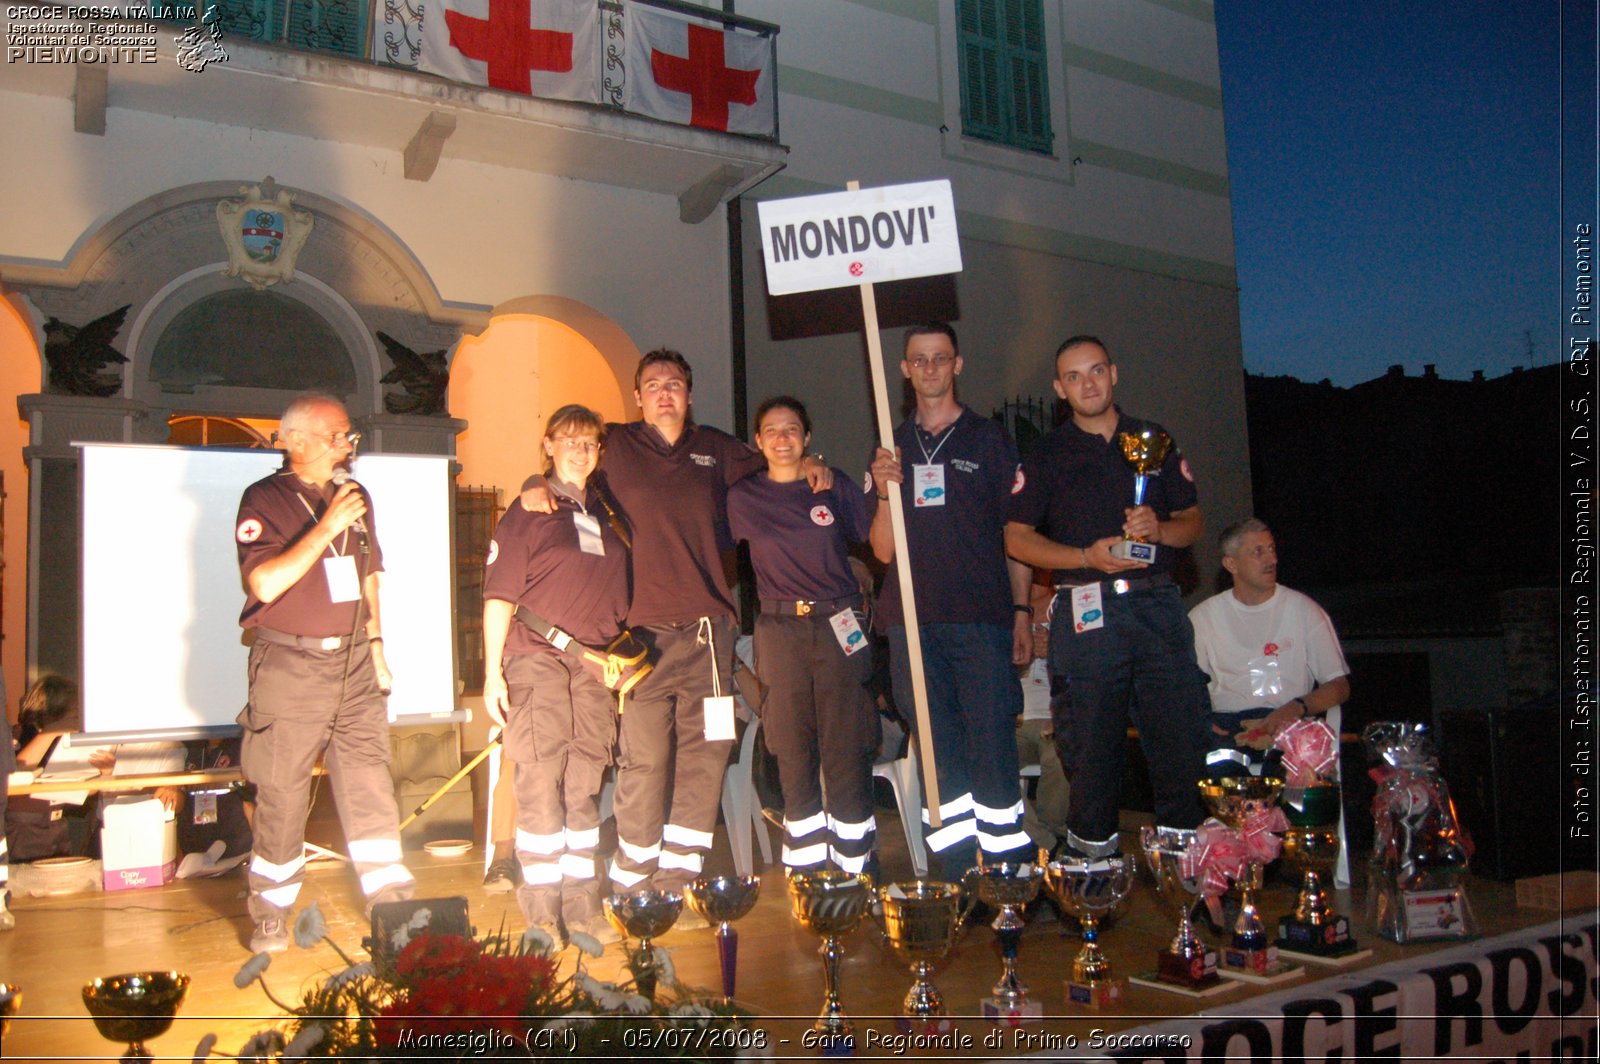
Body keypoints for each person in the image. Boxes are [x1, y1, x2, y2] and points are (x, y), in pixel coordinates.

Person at [521, 350, 828, 899]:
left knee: (706, 752)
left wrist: (811, 464)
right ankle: (633, 878)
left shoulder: (716, 449)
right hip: (639, 639)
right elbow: (569, 459)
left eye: (675, 385)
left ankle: (677, 876)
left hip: (709, 633)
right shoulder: (614, 447)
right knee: (643, 758)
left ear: (690, 394)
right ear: (637, 397)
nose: (665, 393)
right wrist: (532, 480)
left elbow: (776, 462)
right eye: (653, 385)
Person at [1005, 335, 1210, 860]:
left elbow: (1193, 522)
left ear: (1113, 373)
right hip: (1086, 611)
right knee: (1090, 757)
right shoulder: (1046, 454)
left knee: (1179, 751)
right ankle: (1092, 884)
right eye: (1074, 376)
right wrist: (1084, 557)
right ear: (1059, 388)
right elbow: (1015, 537)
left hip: (1158, 608)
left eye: (1096, 371)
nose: (1087, 383)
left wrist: (1160, 530)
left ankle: (1190, 883)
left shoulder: (1153, 438)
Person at [235, 392, 413, 953]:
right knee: (282, 792)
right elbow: (263, 584)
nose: (348, 444)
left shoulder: (355, 497)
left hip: (357, 662)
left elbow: (367, 577)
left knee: (369, 782)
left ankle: (392, 903)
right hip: (291, 665)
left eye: (349, 435)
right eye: (338, 435)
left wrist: (378, 646)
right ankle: (271, 911)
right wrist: (328, 523)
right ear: (298, 439)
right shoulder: (263, 497)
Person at [868, 322, 1035, 877]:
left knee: (991, 748)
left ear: (957, 365)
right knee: (938, 760)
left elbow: (1017, 535)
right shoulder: (892, 446)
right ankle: (957, 878)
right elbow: (883, 552)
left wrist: (1021, 611)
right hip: (912, 627)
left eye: (941, 358)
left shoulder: (989, 440)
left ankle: (1009, 877)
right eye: (920, 359)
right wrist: (885, 490)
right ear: (905, 369)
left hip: (982, 621)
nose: (931, 368)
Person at [483, 405, 630, 945]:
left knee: (584, 787)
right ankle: (542, 914)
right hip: (536, 660)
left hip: (593, 667)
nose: (580, 449)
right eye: (569, 440)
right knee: (541, 783)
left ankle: (583, 908)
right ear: (548, 445)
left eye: (590, 442)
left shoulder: (608, 512)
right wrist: (491, 677)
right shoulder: (527, 512)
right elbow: (499, 598)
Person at [727, 397, 879, 876]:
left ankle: (855, 861)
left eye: (792, 429)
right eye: (771, 430)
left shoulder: (832, 487)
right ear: (758, 442)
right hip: (779, 629)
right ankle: (809, 867)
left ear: (807, 436)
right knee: (790, 742)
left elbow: (877, 541)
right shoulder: (743, 498)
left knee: (846, 739)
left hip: (839, 623)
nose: (782, 438)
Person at [1189, 518, 1351, 776]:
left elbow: (1338, 686)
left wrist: (1296, 708)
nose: (1271, 559)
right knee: (1218, 771)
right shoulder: (1203, 617)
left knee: (1287, 775)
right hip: (1230, 725)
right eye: (1258, 552)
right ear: (1231, 564)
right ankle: (1234, 812)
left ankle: (1282, 811)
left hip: (1290, 720)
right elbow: (1185, 686)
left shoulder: (1303, 610)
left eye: (1272, 549)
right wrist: (1201, 720)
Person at [1015, 577, 1070, 854]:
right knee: (989, 762)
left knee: (1061, 755)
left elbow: (1092, 665)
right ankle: (1048, 843)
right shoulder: (1007, 610)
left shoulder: (1068, 605)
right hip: (1014, 717)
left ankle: (1052, 834)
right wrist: (1022, 655)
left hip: (1056, 714)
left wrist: (1056, 651)